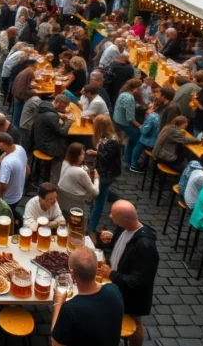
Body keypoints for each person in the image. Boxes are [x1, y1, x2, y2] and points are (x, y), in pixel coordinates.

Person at [98, 200, 159, 346]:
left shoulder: (145, 246)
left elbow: (139, 281)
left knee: (135, 322)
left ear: (126, 219)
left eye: (113, 215)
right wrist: (110, 241)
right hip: (117, 285)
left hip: (132, 297)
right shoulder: (123, 227)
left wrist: (111, 274)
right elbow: (121, 248)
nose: (111, 217)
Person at [50, 246, 124, 346]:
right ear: (96, 268)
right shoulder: (114, 289)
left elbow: (55, 343)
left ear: (72, 274)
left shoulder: (70, 309)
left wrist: (57, 304)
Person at [88, 115, 123, 235]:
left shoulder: (111, 141)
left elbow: (106, 157)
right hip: (104, 172)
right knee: (99, 196)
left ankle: (91, 227)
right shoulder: (106, 138)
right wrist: (96, 152)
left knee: (99, 200)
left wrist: (98, 151)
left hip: (106, 175)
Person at [31, 96, 74, 181]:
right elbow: (62, 133)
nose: (63, 109)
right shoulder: (52, 115)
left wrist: (61, 115)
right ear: (58, 103)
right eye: (63, 107)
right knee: (66, 146)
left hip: (37, 141)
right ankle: (55, 177)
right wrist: (69, 122)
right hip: (47, 147)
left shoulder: (43, 106)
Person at [58, 143, 99, 216]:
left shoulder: (65, 162)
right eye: (82, 154)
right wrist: (96, 178)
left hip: (61, 199)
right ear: (77, 156)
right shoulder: (80, 172)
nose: (84, 156)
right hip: (75, 202)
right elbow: (95, 192)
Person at [0, 132, 27, 214]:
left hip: (8, 200)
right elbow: (27, 168)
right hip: (19, 193)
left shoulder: (6, 163)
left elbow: (3, 187)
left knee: (3, 217)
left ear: (2, 144)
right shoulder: (19, 148)